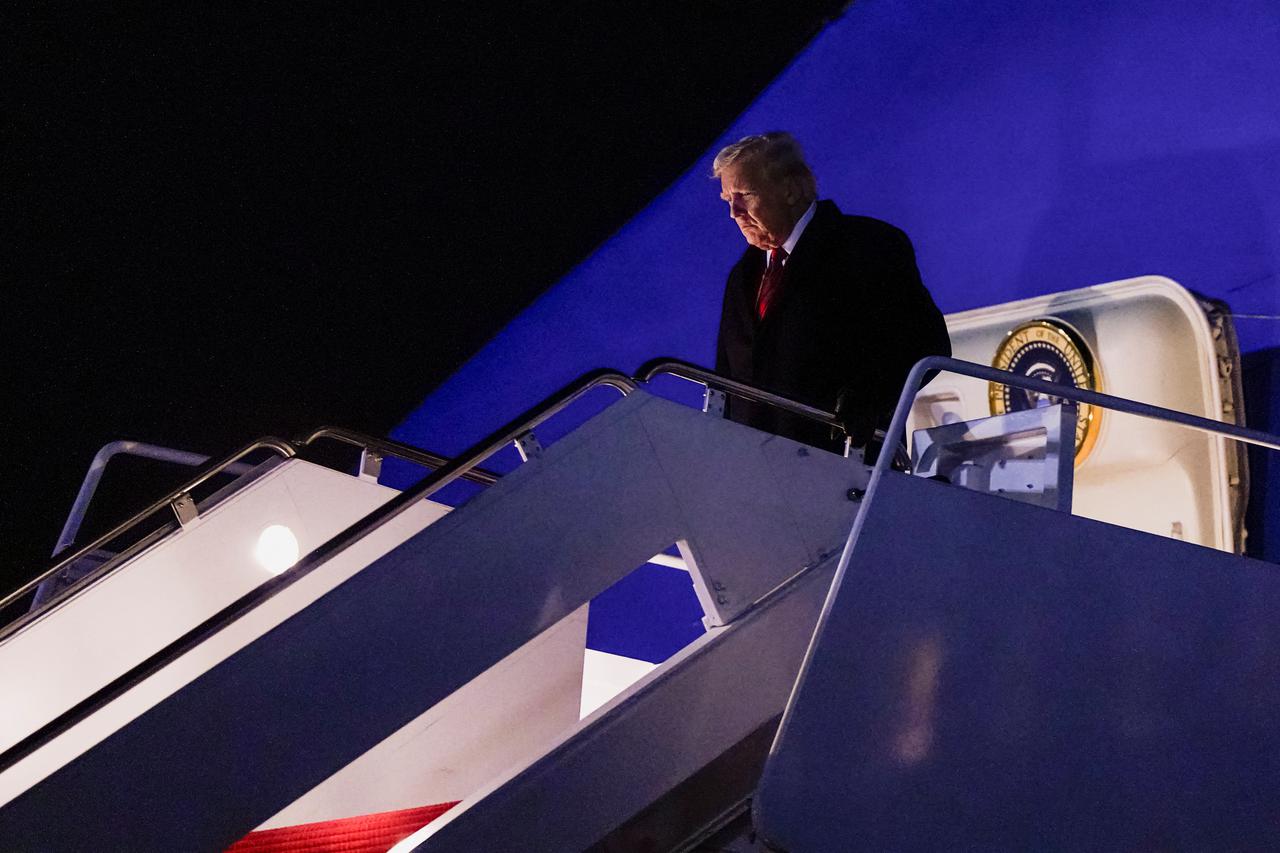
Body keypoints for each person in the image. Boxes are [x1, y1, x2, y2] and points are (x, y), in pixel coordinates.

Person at [713, 132, 951, 454]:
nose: (734, 212)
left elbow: (925, 343)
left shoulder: (867, 246)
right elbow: (725, 379)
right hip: (752, 467)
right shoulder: (742, 276)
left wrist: (868, 398)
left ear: (791, 189)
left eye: (744, 194)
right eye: (728, 199)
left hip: (841, 461)